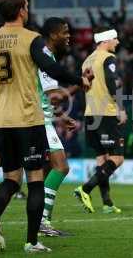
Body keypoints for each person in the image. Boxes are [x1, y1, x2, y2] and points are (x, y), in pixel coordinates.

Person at [0, 0, 92, 253]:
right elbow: (51, 68)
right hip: (28, 118)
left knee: (10, 178)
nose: (28, 10)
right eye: (27, 6)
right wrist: (79, 80)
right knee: (34, 180)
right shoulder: (31, 39)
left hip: (0, 118)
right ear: (21, 10)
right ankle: (32, 241)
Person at [74, 28, 127, 214]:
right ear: (106, 41)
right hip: (106, 113)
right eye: (115, 38)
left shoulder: (86, 60)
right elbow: (112, 82)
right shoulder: (107, 58)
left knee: (101, 158)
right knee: (117, 158)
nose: (117, 42)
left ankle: (107, 202)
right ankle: (85, 189)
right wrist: (120, 108)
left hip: (90, 113)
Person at [37, 17, 81, 237]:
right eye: (65, 32)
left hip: (42, 118)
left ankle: (40, 222)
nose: (68, 36)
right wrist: (79, 84)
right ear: (53, 35)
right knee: (60, 166)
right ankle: (42, 221)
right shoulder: (45, 57)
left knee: (43, 171)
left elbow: (45, 98)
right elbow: (53, 97)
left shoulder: (46, 56)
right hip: (39, 121)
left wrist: (61, 117)